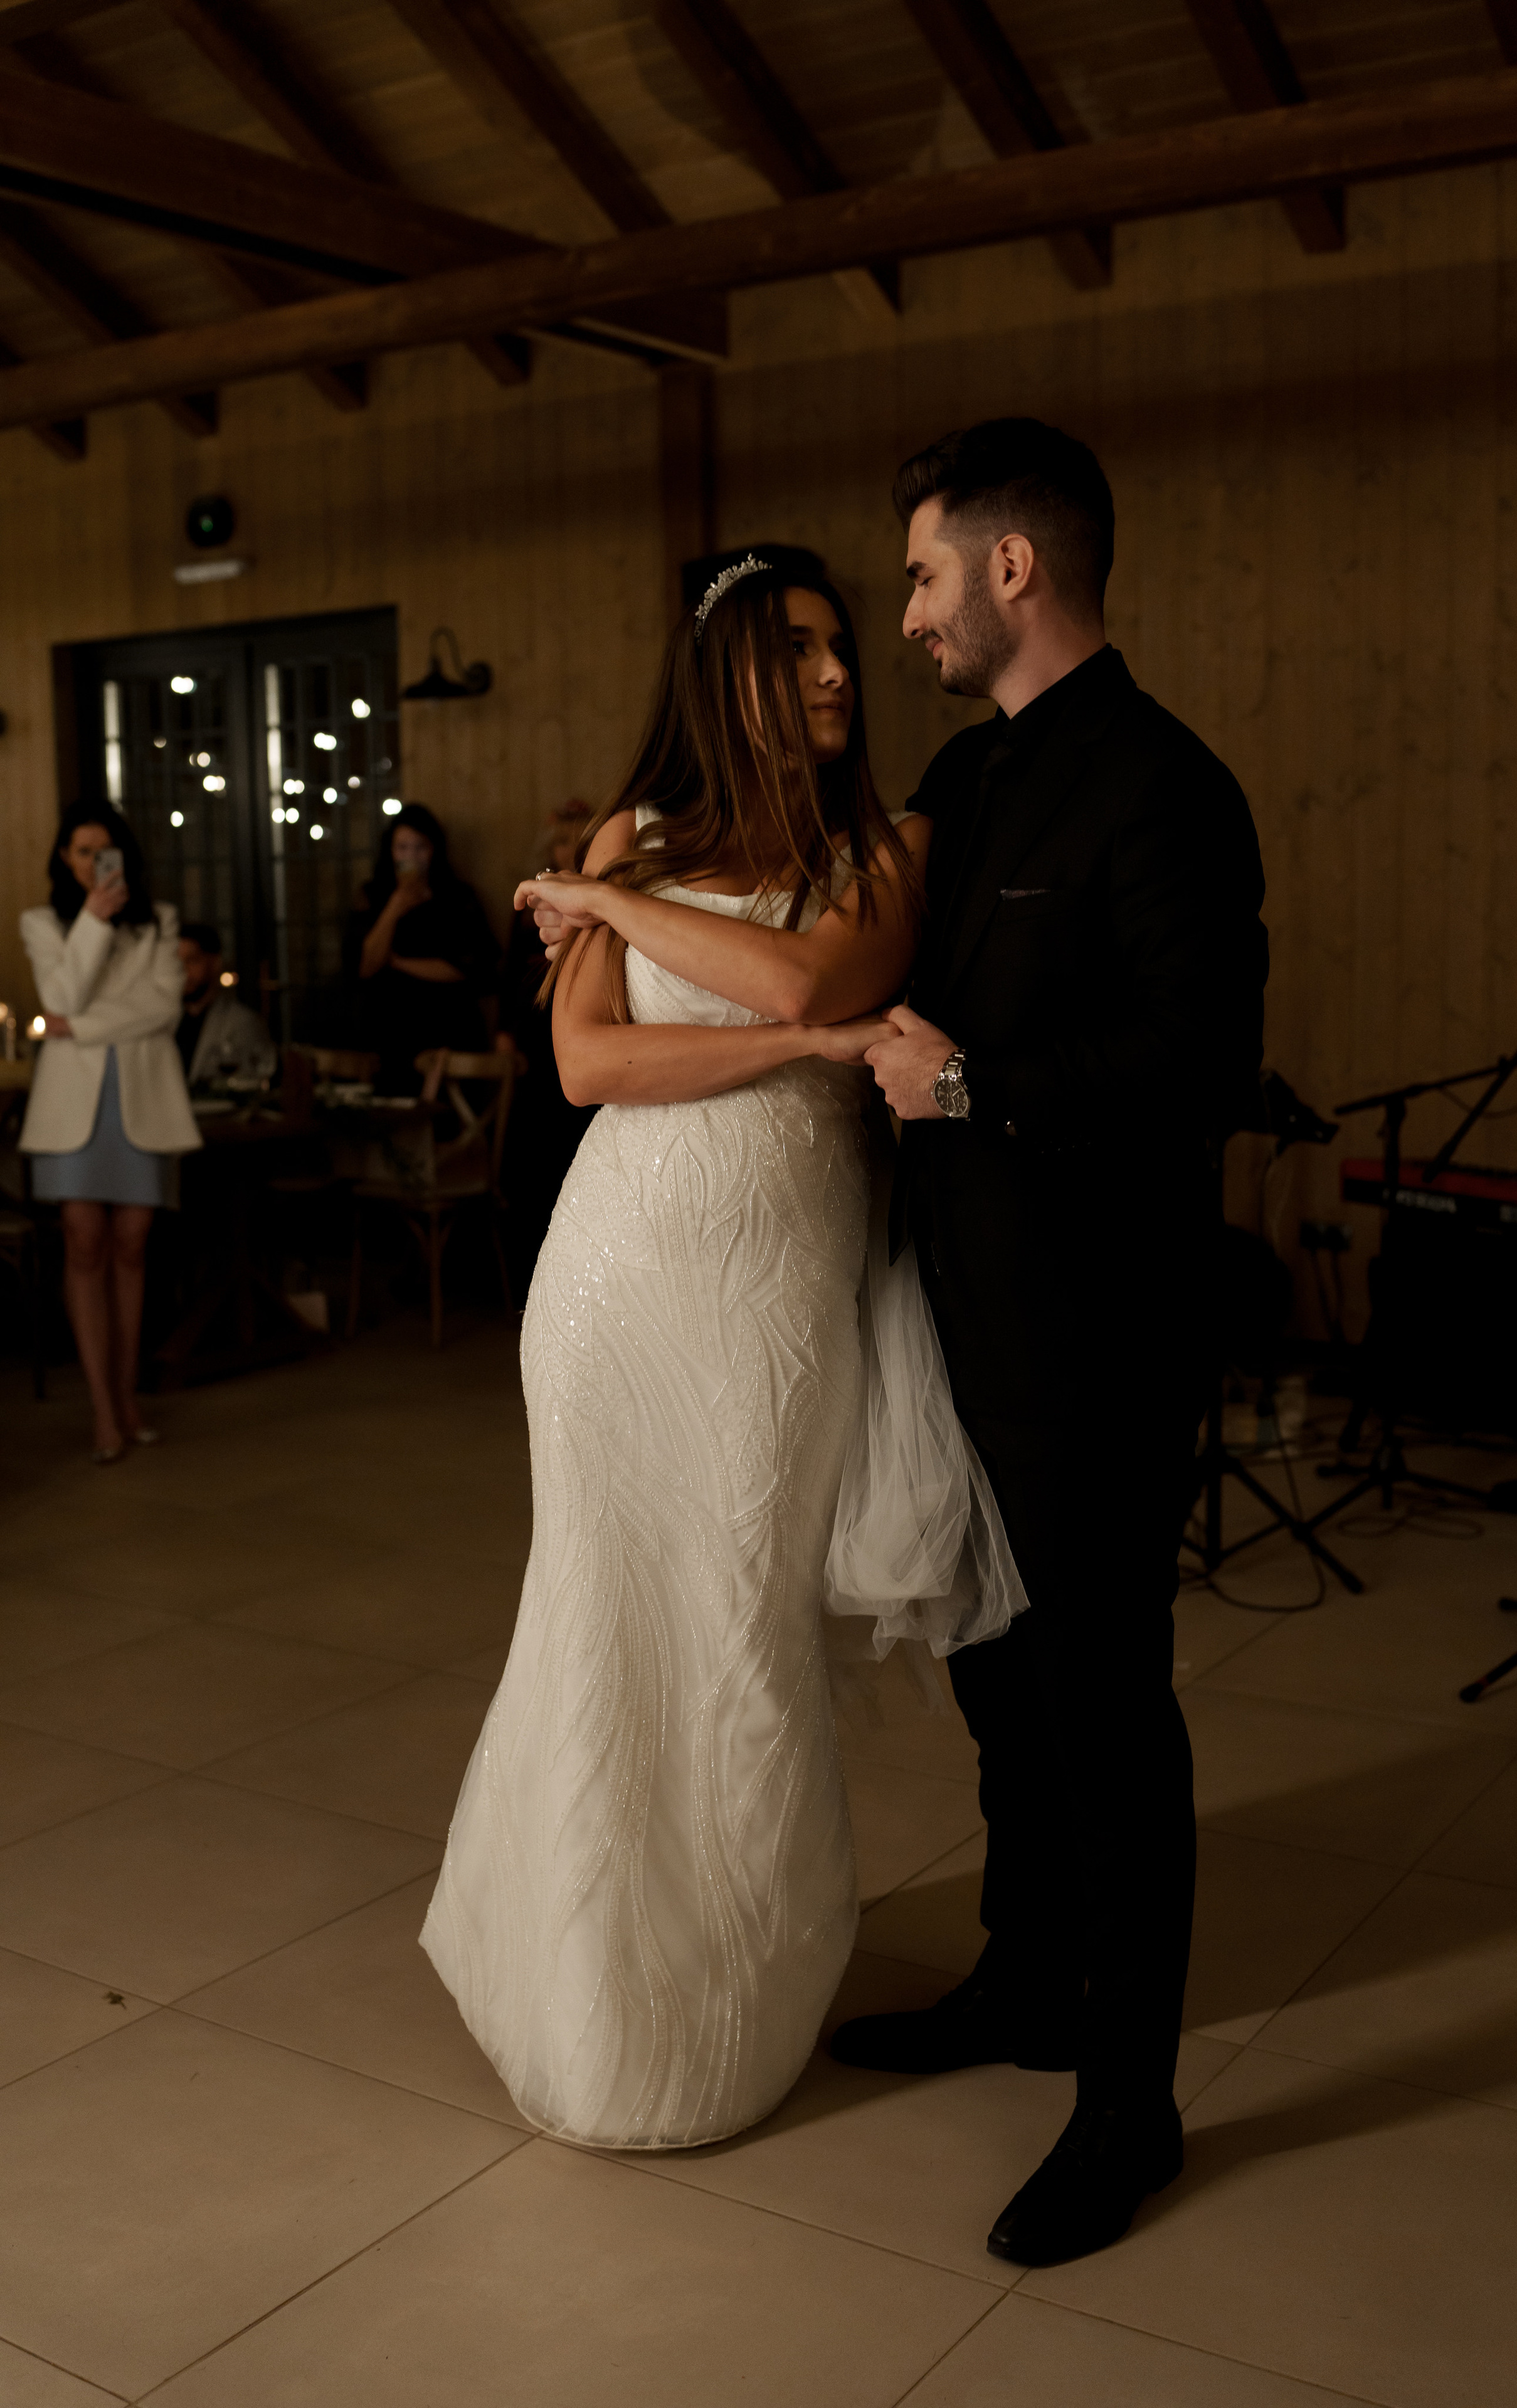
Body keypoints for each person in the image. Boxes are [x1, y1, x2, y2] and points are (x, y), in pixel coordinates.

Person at [422, 555, 1025, 2150]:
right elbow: (582, 1061)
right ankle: (592, 2008)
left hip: (773, 1286)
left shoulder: (884, 846)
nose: (838, 674)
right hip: (618, 1277)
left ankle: (733, 2008)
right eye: (802, 648)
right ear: (726, 675)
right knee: (600, 1624)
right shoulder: (638, 833)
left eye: (844, 646)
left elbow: (809, 974)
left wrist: (608, 903)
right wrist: (792, 1045)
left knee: (740, 1630)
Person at [834, 420, 1270, 2264]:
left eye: (927, 571)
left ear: (1018, 567)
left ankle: (1130, 2097)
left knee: (1104, 1697)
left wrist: (977, 1087)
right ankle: (1023, 1977)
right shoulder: (963, 769)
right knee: (996, 1675)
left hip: (1097, 1318)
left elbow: (1196, 1063)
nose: (910, 608)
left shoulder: (1167, 786)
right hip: (955, 1311)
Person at [20, 806, 202, 1461]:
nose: (92, 861)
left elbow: (162, 1009)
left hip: (143, 1100)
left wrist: (80, 1026)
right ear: (65, 860)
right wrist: (93, 920)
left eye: (105, 850)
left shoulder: (160, 922)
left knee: (132, 1244)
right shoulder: (45, 924)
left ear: (122, 854)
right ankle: (103, 1408)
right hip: (71, 1107)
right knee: (85, 1242)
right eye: (80, 851)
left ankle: (129, 1397)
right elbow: (61, 997)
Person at [494, 801, 595, 1279]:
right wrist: (503, 1035)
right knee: (531, 1149)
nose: (569, 847)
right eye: (561, 840)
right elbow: (510, 973)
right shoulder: (532, 904)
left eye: (579, 838)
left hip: (581, 1024)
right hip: (533, 1032)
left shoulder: (602, 897)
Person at [344, 803, 499, 1092]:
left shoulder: (457, 898)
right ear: (390, 851)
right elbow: (363, 966)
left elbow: (468, 968)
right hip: (388, 1029)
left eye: (420, 848)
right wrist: (394, 908)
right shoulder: (373, 895)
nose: (411, 857)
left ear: (434, 850)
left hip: (448, 1028)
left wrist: (398, 963)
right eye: (402, 848)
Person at [174, 921, 277, 1088]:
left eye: (192, 960)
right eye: (177, 962)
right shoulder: (167, 1020)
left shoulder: (241, 1022)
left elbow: (251, 1082)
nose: (183, 971)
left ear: (215, 963)